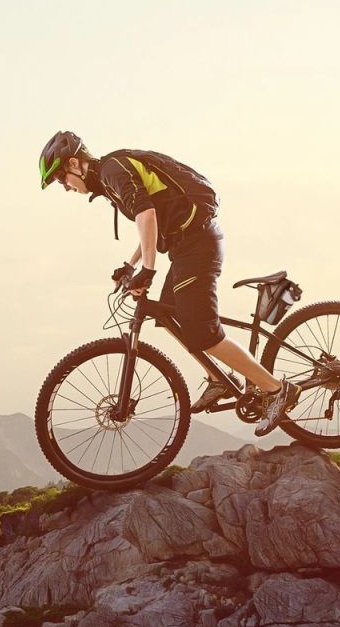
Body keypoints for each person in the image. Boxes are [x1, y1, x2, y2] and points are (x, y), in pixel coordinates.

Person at [39, 130, 301, 436]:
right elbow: (149, 223)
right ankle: (219, 379)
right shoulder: (110, 178)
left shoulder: (112, 170)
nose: (65, 187)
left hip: (198, 244)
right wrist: (132, 265)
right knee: (168, 314)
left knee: (204, 333)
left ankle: (277, 389)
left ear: (74, 164)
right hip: (184, 247)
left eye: (61, 179)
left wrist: (148, 270)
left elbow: (146, 213)